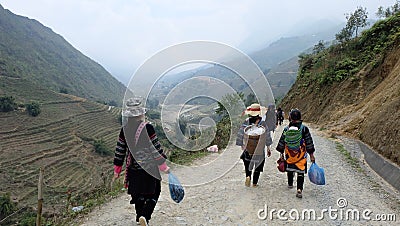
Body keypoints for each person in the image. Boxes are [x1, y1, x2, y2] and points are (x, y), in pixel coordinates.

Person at [113, 97, 170, 226]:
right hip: (149, 169)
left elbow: (120, 150)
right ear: (141, 114)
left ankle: (139, 217)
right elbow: (155, 148)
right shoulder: (148, 128)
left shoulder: (125, 129)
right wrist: (163, 165)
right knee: (154, 191)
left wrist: (117, 169)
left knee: (138, 194)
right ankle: (145, 216)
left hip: (133, 168)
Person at [276, 108, 315, 198]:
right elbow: (309, 142)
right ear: (300, 117)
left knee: (290, 168)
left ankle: (290, 183)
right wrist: (312, 155)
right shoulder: (304, 129)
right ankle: (299, 189)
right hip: (301, 155)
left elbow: (282, 142)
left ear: (290, 117)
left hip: (289, 155)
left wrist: (281, 154)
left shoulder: (286, 129)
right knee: (300, 171)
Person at [236, 103, 273, 187]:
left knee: (247, 163)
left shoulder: (247, 121)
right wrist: (268, 147)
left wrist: (241, 143)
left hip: (248, 148)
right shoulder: (262, 123)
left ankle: (248, 176)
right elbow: (267, 135)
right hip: (259, 150)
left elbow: (241, 133)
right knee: (258, 166)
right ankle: (255, 183)